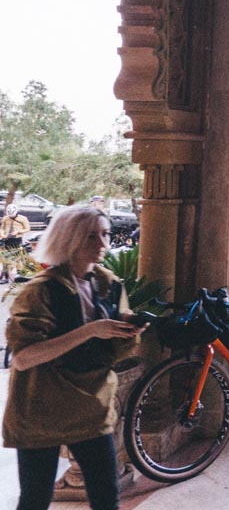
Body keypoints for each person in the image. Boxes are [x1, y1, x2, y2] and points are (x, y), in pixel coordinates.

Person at [3, 205, 144, 510]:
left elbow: (113, 352)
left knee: (106, 497)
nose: (103, 244)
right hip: (41, 410)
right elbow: (25, 358)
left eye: (105, 234)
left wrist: (127, 329)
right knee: (36, 499)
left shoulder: (107, 284)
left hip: (92, 407)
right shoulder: (40, 291)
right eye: (91, 236)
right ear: (69, 239)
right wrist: (92, 330)